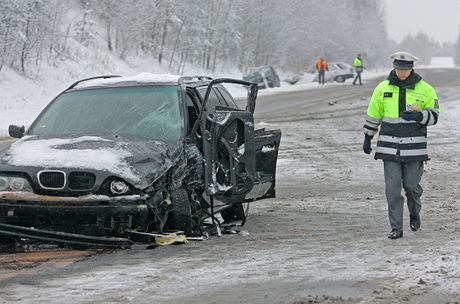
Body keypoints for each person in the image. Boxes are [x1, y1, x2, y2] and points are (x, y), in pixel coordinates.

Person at [362, 51, 441, 239]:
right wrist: (368, 136)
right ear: (394, 67)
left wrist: (419, 116)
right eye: (398, 69)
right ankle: (396, 228)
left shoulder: (426, 89)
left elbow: (435, 115)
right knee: (392, 190)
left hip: (415, 148)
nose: (402, 73)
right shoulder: (382, 88)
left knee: (412, 187)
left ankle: (414, 214)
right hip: (389, 148)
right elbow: (374, 113)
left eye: (405, 69)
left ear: (412, 68)